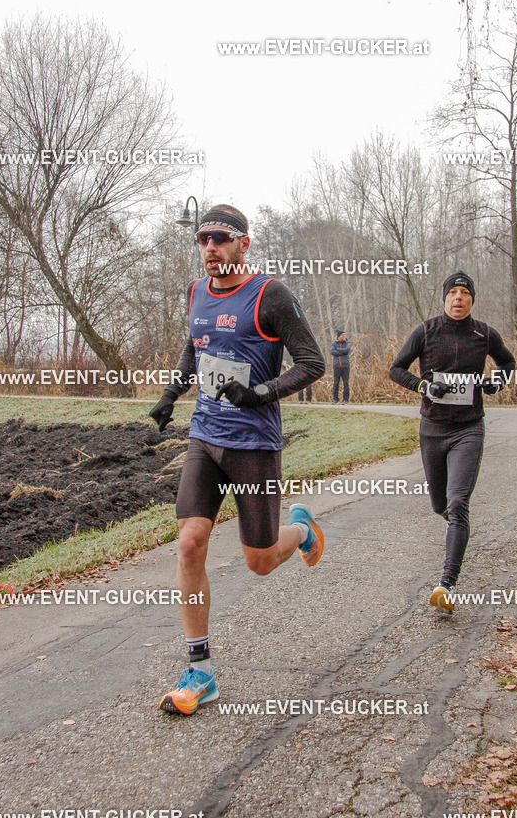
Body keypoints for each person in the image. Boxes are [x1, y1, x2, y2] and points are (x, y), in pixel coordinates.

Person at [149, 204, 326, 716]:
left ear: (243, 243)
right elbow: (194, 346)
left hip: (254, 444)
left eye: (220, 238)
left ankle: (303, 530)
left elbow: (312, 363)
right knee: (189, 542)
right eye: (202, 238)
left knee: (261, 561)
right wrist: (171, 394)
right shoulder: (196, 293)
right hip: (205, 437)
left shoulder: (270, 295)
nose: (210, 247)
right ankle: (200, 670)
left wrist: (261, 392)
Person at [389, 272, 515, 612]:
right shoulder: (427, 331)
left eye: (464, 293)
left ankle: (447, 584)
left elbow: (508, 362)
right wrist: (424, 387)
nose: (458, 298)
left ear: (472, 300)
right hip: (432, 428)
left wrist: (496, 382)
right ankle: (458, 532)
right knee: (440, 505)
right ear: (445, 299)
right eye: (453, 293)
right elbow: (396, 369)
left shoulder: (484, 333)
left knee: (458, 503)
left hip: (468, 429)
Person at [330, 328, 351, 404]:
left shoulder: (347, 343)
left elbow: (347, 350)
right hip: (337, 366)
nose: (344, 336)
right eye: (342, 335)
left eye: (344, 335)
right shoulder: (333, 344)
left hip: (345, 366)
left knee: (346, 383)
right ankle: (335, 399)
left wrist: (338, 349)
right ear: (339, 336)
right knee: (336, 383)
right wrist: (342, 351)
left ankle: (345, 399)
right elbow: (332, 352)